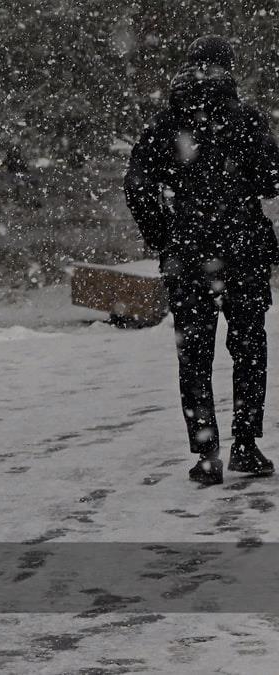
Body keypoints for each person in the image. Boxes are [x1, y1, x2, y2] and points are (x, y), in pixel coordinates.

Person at [125, 35, 279, 485]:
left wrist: (164, 236)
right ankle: (245, 445)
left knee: (193, 355)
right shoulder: (245, 119)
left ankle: (207, 455)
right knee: (249, 350)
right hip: (243, 250)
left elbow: (137, 185)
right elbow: (272, 181)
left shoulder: (167, 122)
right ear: (229, 68)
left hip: (188, 254)